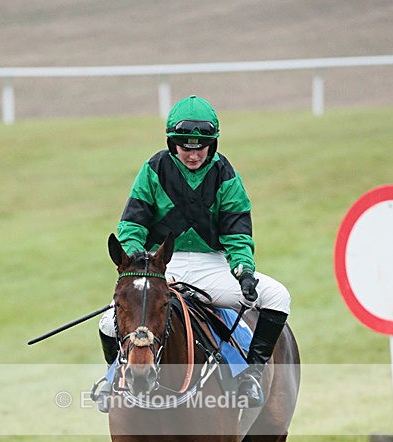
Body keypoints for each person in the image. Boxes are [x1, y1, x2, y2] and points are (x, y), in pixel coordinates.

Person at [97, 94, 290, 408]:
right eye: (186, 146)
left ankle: (251, 376)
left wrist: (243, 269)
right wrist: (137, 259)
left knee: (278, 296)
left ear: (211, 144)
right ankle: (113, 378)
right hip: (160, 267)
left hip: (211, 268)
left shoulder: (224, 174)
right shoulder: (154, 168)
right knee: (107, 321)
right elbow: (132, 224)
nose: (193, 154)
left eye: (200, 147)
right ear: (173, 142)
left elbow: (237, 231)